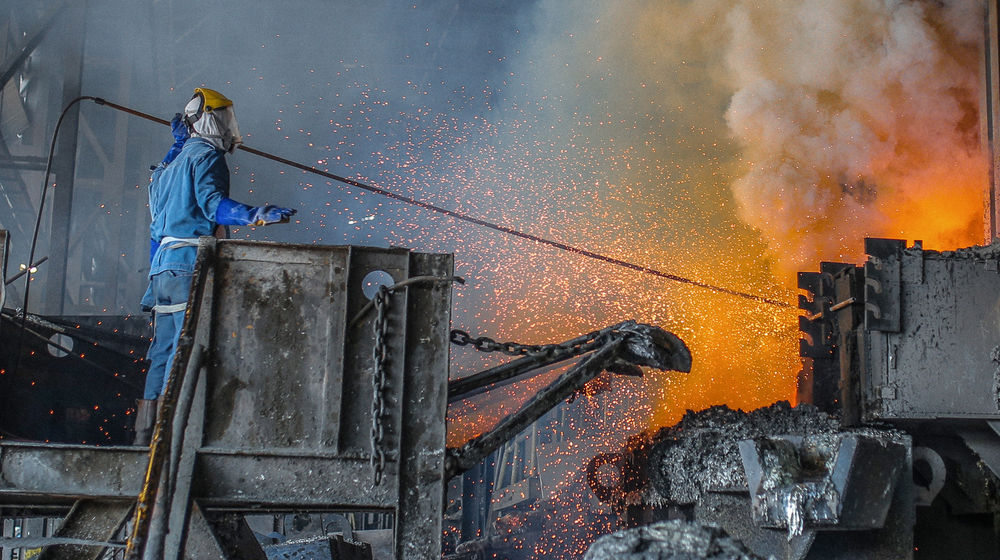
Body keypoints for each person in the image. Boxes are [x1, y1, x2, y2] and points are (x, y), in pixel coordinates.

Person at [134, 88, 296, 445]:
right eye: (222, 119)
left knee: (162, 352)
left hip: (161, 271)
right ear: (207, 120)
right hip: (189, 264)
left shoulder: (167, 168)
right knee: (185, 350)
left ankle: (144, 439)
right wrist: (254, 215)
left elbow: (155, 230)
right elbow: (213, 207)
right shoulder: (207, 157)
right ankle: (172, 439)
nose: (227, 127)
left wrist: (178, 144)